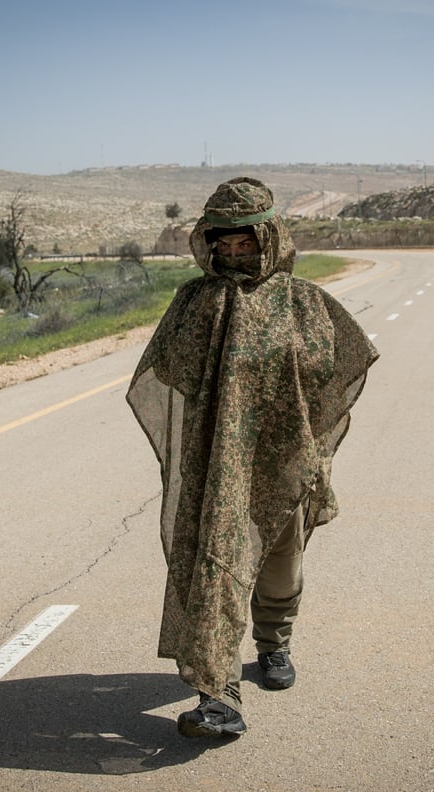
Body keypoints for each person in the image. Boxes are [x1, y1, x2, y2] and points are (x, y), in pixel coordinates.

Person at [127, 177, 378, 737]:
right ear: (209, 245)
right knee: (214, 561)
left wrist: (287, 408)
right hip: (215, 460)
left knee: (280, 560)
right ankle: (218, 690)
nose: (235, 255)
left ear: (267, 239)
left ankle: (274, 644)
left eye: (245, 244)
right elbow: (167, 367)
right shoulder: (193, 302)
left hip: (283, 456)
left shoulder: (303, 301)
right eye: (225, 244)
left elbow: (339, 366)